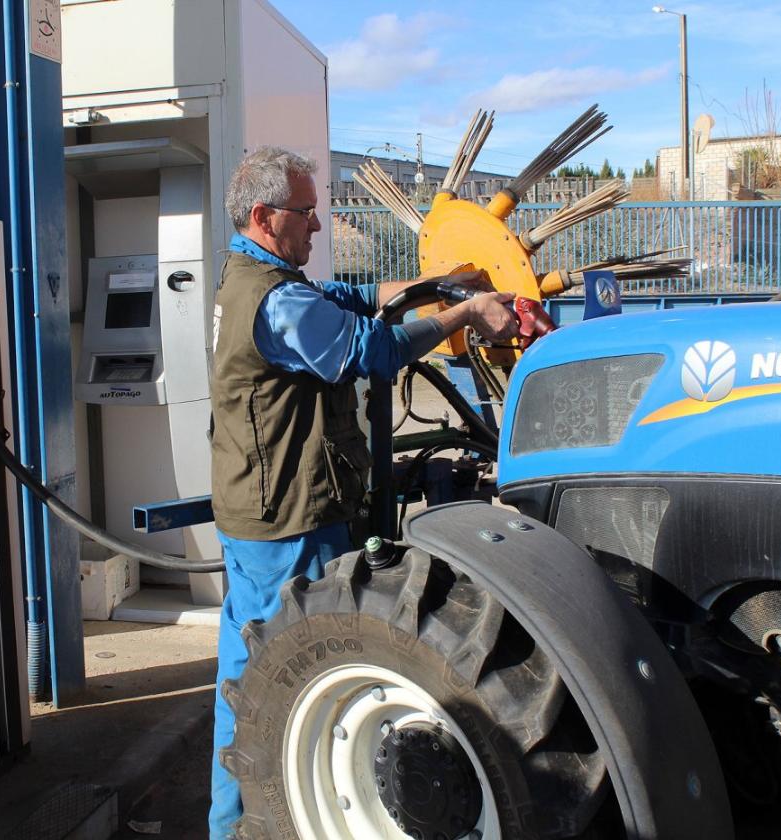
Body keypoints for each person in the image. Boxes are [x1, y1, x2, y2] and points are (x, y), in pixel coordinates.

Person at [208, 146, 519, 838]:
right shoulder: (277, 302)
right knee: (295, 673)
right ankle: (283, 809)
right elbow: (370, 352)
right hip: (289, 520)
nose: (317, 226)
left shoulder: (253, 275)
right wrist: (463, 315)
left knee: (246, 679)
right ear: (264, 216)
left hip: (259, 515)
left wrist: (429, 284)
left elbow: (345, 301)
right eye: (307, 213)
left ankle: (230, 827)